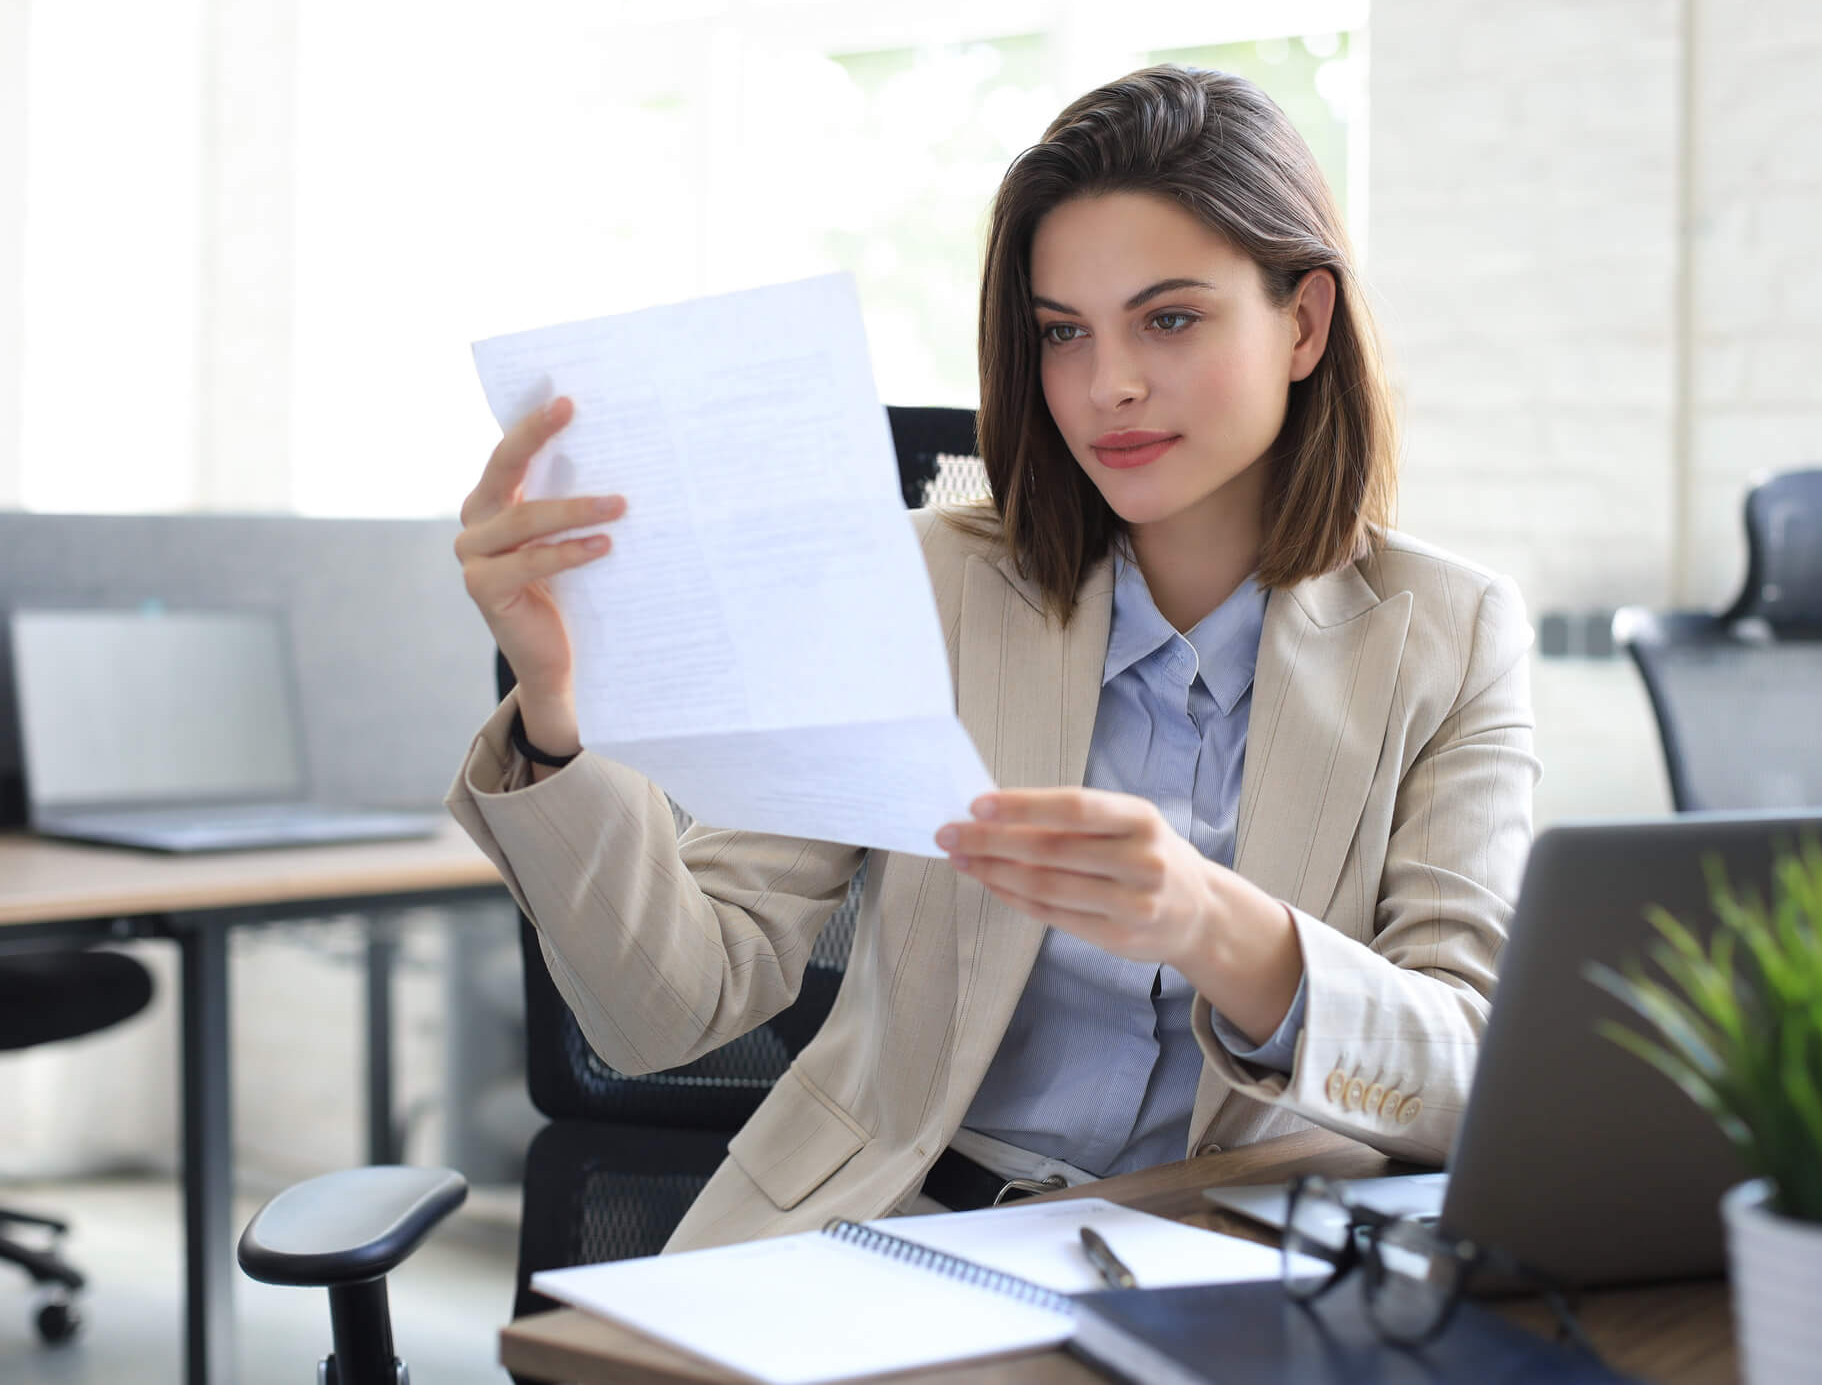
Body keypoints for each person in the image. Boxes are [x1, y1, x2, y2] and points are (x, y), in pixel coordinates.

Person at [447, 64, 1538, 1251]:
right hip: (891, 1231)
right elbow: (668, 1009)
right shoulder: (922, 586)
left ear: (1304, 324)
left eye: (1169, 318)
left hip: (1226, 1268)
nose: (1107, 384)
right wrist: (554, 709)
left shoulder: (1452, 634)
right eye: (1062, 333)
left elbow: (1468, 1075)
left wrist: (1214, 923)